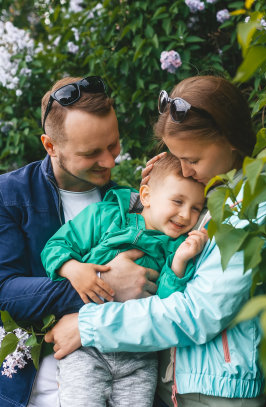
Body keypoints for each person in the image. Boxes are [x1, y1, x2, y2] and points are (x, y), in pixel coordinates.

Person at [44, 75, 266, 407]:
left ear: (231, 140)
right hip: (177, 385)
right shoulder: (215, 196)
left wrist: (88, 324)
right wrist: (149, 202)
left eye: (192, 160)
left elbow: (198, 311)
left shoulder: (253, 204)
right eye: (176, 157)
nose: (186, 170)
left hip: (219, 392)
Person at [0, 76, 160, 407]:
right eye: (92, 153)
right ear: (50, 146)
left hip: (108, 387)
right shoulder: (6, 194)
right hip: (24, 391)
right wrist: (104, 285)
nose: (110, 161)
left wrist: (163, 198)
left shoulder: (125, 202)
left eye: (113, 145)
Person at [41, 154, 209, 406]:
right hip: (86, 346)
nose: (185, 215)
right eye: (177, 201)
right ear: (146, 195)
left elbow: (167, 304)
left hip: (139, 355)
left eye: (196, 208)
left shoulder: (176, 248)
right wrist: (74, 269)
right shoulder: (107, 216)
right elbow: (56, 245)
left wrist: (178, 265)